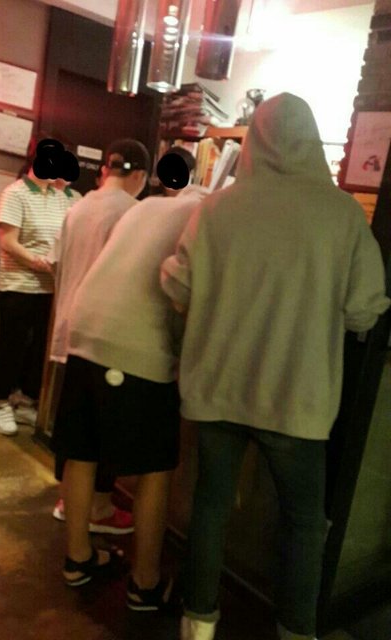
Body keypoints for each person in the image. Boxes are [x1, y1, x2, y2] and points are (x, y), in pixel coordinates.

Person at [160, 93, 391, 640]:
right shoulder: (342, 214)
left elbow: (176, 285)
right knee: (304, 522)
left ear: (253, 143)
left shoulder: (215, 208)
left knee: (211, 506)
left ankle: (199, 622)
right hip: (297, 397)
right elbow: (365, 310)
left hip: (218, 387)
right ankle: (295, 630)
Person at [50, 155, 209, 610]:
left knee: (82, 451)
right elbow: (185, 291)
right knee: (156, 466)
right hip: (138, 345)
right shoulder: (208, 216)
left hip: (84, 331)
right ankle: (145, 582)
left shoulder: (148, 206)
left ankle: (78, 559)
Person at [49, 139, 152, 533]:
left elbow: (57, 263)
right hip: (106, 334)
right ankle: (99, 507)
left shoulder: (77, 207)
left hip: (69, 326)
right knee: (102, 429)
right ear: (139, 174)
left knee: (73, 425)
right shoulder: (132, 213)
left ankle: (68, 500)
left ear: (107, 168)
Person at [0, 144, 71, 436]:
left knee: (40, 349)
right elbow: (8, 241)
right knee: (12, 346)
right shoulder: (15, 193)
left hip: (50, 287)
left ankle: (25, 398)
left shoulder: (61, 197)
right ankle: (1, 403)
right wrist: (38, 262)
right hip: (18, 284)